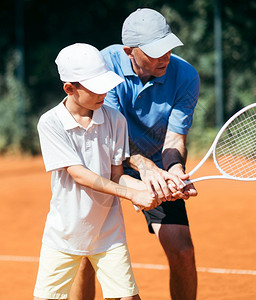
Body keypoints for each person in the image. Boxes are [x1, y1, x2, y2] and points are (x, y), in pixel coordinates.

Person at [70, 8, 200, 300]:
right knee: (87, 255)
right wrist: (143, 167)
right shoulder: (103, 67)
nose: (165, 55)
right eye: (155, 51)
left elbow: (175, 137)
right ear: (129, 51)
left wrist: (174, 169)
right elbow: (110, 135)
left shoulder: (185, 76)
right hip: (103, 163)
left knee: (183, 252)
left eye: (167, 46)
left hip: (155, 164)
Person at [33, 42, 177, 300]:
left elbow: (116, 174)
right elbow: (79, 174)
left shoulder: (114, 119)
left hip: (108, 234)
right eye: (96, 88)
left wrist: (153, 187)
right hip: (64, 234)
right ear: (70, 88)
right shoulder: (51, 123)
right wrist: (131, 195)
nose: (105, 93)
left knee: (128, 297)